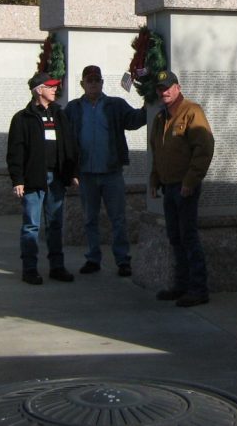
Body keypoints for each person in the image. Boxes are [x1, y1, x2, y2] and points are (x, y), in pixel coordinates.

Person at [64, 64, 147, 277]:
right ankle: (93, 258)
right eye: (89, 81)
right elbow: (64, 139)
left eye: (96, 80)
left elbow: (135, 120)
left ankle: (122, 260)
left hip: (111, 172)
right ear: (82, 84)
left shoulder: (115, 105)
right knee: (90, 218)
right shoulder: (73, 108)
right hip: (85, 174)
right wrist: (70, 171)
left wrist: (149, 100)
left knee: (118, 218)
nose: (93, 84)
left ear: (102, 83)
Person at [148, 70, 215, 307]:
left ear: (177, 87)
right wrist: (155, 180)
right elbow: (157, 152)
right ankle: (181, 284)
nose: (164, 91)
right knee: (175, 237)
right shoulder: (159, 118)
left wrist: (190, 181)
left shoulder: (191, 111)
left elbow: (204, 149)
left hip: (185, 187)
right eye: (160, 88)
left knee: (188, 236)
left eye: (168, 87)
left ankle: (198, 289)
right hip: (168, 186)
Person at [7, 72, 78, 285]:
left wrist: (73, 172)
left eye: (55, 86)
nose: (55, 89)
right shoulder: (22, 118)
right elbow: (15, 151)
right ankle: (29, 269)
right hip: (33, 179)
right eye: (51, 86)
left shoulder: (59, 114)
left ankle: (57, 266)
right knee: (31, 225)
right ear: (39, 90)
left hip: (57, 177)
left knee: (55, 223)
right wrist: (18, 179)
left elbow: (70, 145)